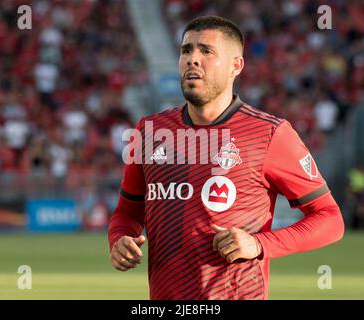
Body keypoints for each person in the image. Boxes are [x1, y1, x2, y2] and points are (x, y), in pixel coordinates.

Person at [108, 16, 344, 300]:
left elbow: (330, 220)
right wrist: (119, 240)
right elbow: (127, 213)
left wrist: (259, 244)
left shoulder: (270, 134)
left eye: (206, 51)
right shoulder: (149, 131)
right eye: (186, 50)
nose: (192, 59)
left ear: (236, 65)